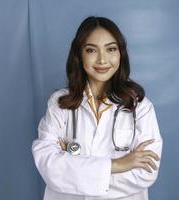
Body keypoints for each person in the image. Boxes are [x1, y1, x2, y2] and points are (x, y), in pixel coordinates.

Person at [31, 16, 163, 200]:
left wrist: (73, 169)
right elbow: (48, 165)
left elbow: (145, 173)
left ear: (120, 54)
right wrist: (119, 164)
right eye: (91, 50)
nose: (102, 60)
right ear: (79, 55)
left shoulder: (140, 107)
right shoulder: (59, 103)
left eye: (111, 49)